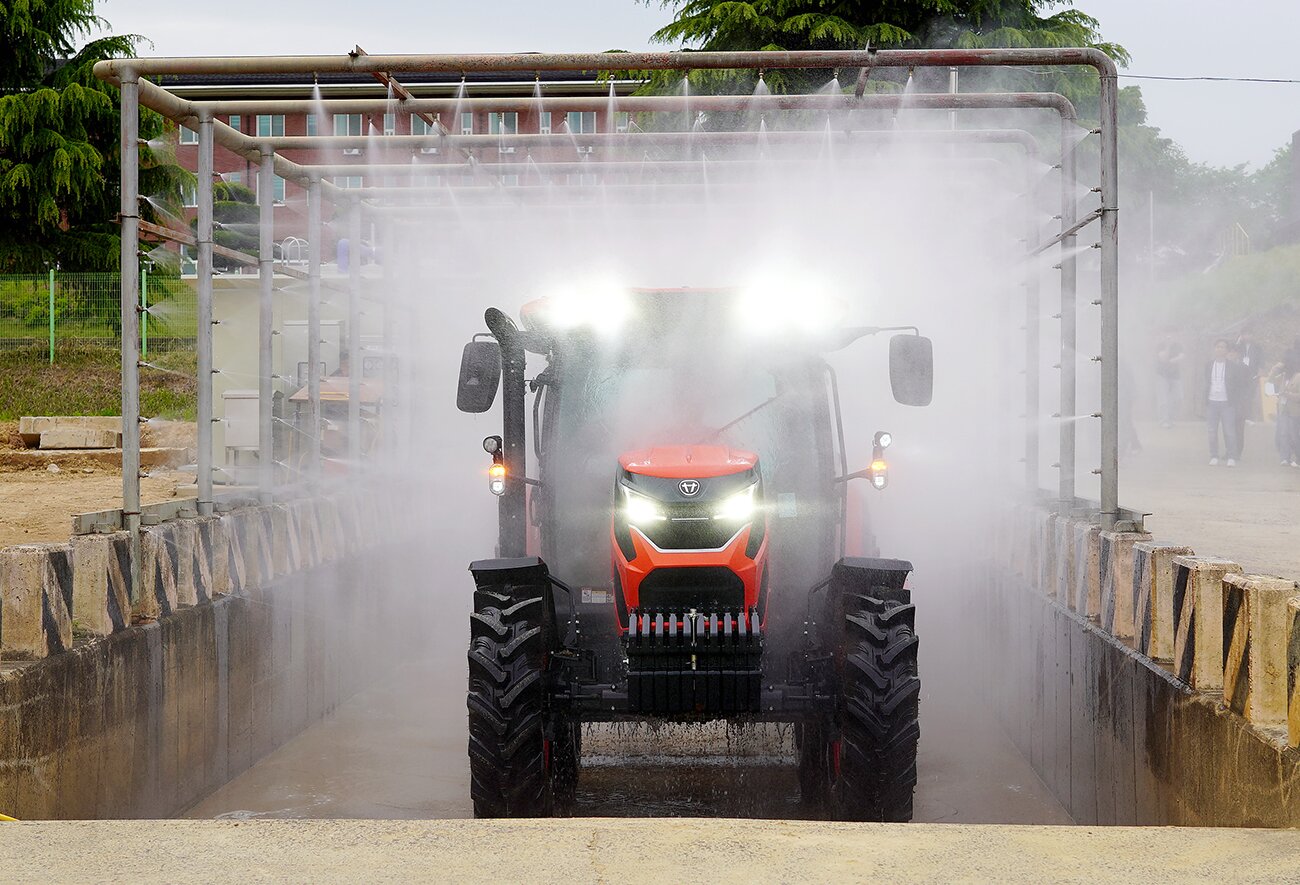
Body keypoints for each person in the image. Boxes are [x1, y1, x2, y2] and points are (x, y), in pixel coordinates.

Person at [1204, 338, 1244, 466]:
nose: (1220, 349)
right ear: (1214, 349)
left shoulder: (1233, 366)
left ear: (1227, 350)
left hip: (1227, 403)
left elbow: (1238, 385)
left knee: (1229, 431)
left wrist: (1235, 401)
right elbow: (1206, 382)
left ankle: (1231, 456)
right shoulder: (1209, 365)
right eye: (1218, 346)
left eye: (1223, 347)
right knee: (1211, 430)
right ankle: (1213, 455)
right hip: (1212, 402)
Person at [1154, 330, 1184, 428]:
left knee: (1178, 397)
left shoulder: (1178, 346)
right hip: (1162, 375)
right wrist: (1168, 346)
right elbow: (1163, 358)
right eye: (1167, 335)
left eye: (1171, 335)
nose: (1169, 337)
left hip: (1175, 376)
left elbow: (1182, 356)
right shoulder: (1160, 346)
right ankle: (1164, 420)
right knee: (1163, 399)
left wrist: (1172, 360)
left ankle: (1170, 419)